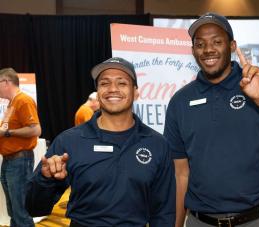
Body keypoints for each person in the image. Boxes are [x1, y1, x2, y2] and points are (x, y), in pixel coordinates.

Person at [164, 12, 259, 227]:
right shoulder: (180, 102)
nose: (208, 50)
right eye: (200, 44)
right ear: (193, 50)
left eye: (217, 42)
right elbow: (180, 175)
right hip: (200, 222)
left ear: (232, 46)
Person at [26, 57, 176, 226]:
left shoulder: (157, 144)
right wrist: (46, 179)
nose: (113, 89)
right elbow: (34, 208)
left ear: (136, 92)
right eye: (104, 83)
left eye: (122, 83)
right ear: (98, 93)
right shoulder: (69, 141)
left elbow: (164, 211)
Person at [0, 68, 41, 227]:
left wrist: (8, 133)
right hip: (10, 161)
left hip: (19, 161)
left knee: (20, 211)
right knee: (14, 211)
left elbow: (36, 129)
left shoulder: (23, 100)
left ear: (6, 82)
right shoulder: (12, 103)